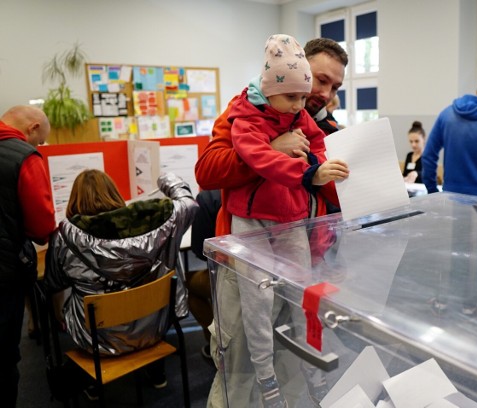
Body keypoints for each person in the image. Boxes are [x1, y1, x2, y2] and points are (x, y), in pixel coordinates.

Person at [195, 37, 348, 408]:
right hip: (249, 259)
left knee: (296, 360)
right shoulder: (245, 112)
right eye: (321, 79)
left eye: (334, 87)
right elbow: (207, 172)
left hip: (306, 263)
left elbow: (334, 198)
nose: (324, 92)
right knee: (240, 369)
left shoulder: (327, 129)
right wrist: (269, 151)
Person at [45, 170, 198, 398]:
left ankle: (93, 381)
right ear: (114, 193)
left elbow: (53, 285)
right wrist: (167, 177)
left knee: (70, 303)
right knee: (147, 295)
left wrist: (61, 318)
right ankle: (157, 373)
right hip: (154, 327)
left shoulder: (64, 238)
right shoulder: (160, 222)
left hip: (95, 339)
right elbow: (188, 203)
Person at [0, 105, 56, 408]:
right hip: (5, 271)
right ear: (32, 128)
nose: (39, 147)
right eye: (41, 141)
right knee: (5, 356)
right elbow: (42, 226)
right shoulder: (23, 156)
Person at [188, 189, 221, 361]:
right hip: (272, 276)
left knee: (187, 285)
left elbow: (201, 252)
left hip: (227, 277)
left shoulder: (209, 198)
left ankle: (216, 344)